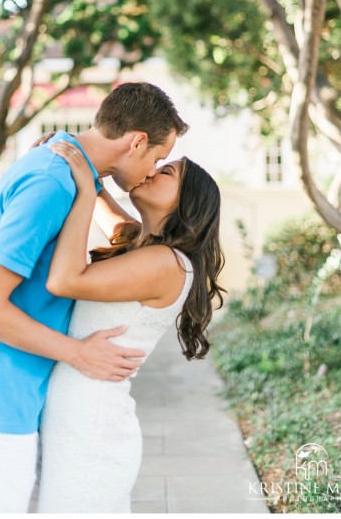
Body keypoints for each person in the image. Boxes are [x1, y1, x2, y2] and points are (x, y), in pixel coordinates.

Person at [0, 82, 188, 514]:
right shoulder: (53, 180)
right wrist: (78, 354)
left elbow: (125, 235)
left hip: (16, 398)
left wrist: (95, 187)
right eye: (157, 159)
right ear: (137, 141)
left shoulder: (66, 172)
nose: (152, 171)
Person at [35, 139, 226, 512]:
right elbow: (102, 198)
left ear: (187, 202)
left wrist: (84, 192)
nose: (153, 170)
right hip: (75, 418)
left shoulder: (167, 263)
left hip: (92, 428)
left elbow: (64, 281)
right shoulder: (141, 244)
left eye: (166, 171)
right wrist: (74, 155)